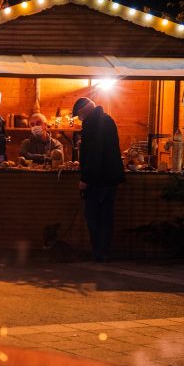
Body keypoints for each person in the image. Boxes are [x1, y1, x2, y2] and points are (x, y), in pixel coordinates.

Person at [72, 97, 126, 262]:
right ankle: (102, 251)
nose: (80, 120)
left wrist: (85, 179)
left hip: (98, 180)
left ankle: (99, 252)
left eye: (79, 116)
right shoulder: (106, 120)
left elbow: (94, 155)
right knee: (105, 216)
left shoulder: (92, 125)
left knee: (94, 216)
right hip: (110, 178)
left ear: (83, 111)